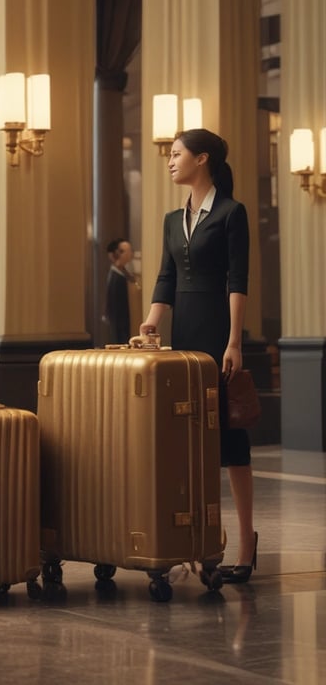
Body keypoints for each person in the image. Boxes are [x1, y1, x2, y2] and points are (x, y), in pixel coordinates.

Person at [140, 128, 256, 584]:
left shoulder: (231, 213)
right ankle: (198, 540)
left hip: (218, 335)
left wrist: (234, 341)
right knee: (190, 441)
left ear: (201, 159)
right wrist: (151, 321)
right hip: (184, 337)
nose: (169, 161)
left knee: (231, 441)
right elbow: (165, 278)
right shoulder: (172, 219)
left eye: (176, 154)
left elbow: (237, 279)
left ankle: (245, 542)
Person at [104, 237, 135, 343]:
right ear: (119, 253)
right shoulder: (116, 277)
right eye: (128, 251)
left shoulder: (123, 273)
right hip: (120, 324)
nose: (131, 254)